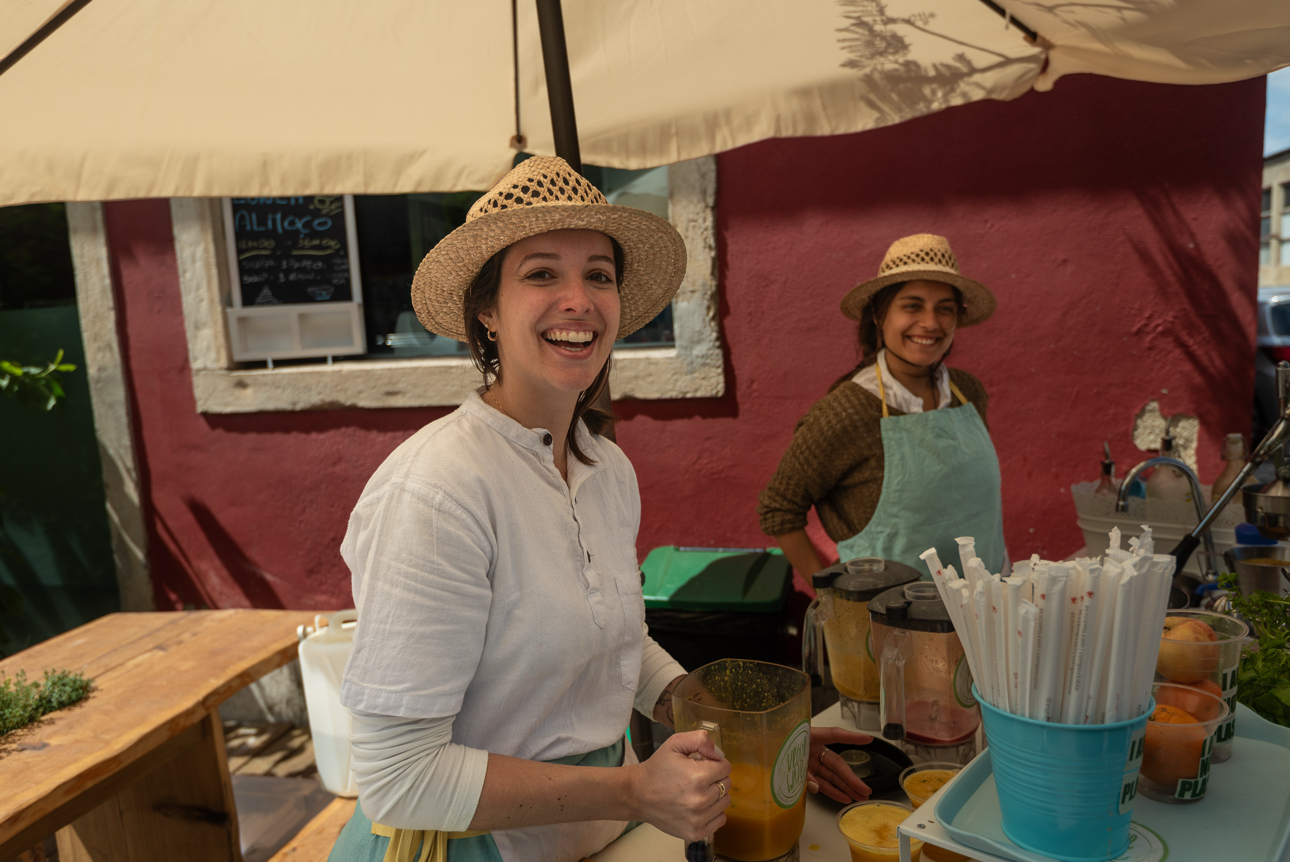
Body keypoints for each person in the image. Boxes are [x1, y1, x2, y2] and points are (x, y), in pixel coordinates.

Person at [330, 157, 870, 862]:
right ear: (486, 312)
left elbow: (610, 640)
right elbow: (400, 780)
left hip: (593, 840)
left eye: (600, 275)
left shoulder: (604, 467)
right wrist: (634, 790)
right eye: (542, 273)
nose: (579, 299)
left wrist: (735, 730)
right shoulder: (436, 491)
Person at [758, 234, 1006, 580]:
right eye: (912, 305)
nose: (931, 323)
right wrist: (831, 596)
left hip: (987, 609)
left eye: (945, 309)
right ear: (879, 314)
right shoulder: (846, 413)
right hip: (888, 624)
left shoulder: (968, 392)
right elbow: (779, 508)